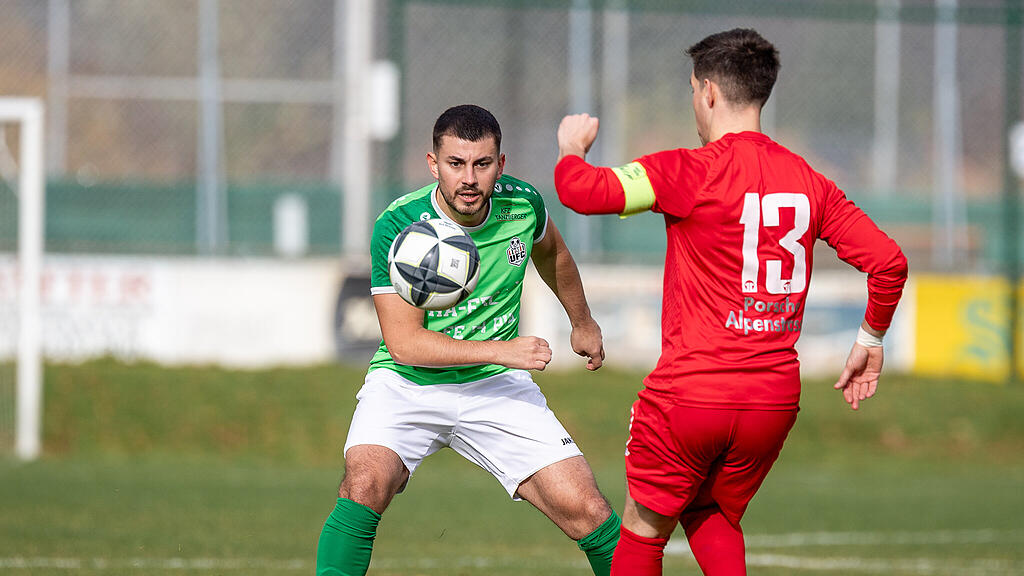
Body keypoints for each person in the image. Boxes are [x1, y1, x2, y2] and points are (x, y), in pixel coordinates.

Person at [553, 29, 908, 576]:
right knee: (710, 509)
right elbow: (888, 262)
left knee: (643, 530)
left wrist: (571, 149)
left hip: (693, 392)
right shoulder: (811, 182)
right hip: (771, 399)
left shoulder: (688, 170)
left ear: (710, 92)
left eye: (693, 89)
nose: (693, 101)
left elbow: (582, 191)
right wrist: (871, 340)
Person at [315, 104, 621, 575]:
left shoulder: (522, 204)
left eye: (482, 164)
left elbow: (553, 252)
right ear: (433, 164)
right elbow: (405, 345)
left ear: (501, 164)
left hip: (496, 387)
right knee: (365, 484)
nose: (469, 179)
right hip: (408, 383)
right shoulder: (399, 225)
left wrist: (582, 321)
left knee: (590, 512)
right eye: (456, 164)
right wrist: (504, 350)